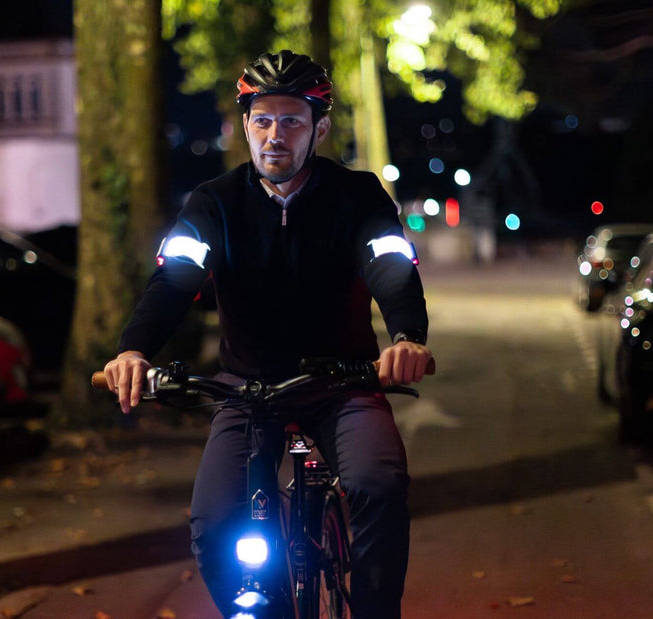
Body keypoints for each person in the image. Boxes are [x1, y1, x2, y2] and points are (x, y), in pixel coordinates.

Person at [103, 50, 431, 618]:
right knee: (212, 523)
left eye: (292, 121)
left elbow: (390, 264)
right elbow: (175, 280)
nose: (275, 135)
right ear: (245, 126)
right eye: (262, 120)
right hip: (246, 389)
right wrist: (134, 349)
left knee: (378, 485)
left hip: (343, 382)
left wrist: (406, 337)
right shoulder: (214, 203)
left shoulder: (357, 196)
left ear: (318, 129)